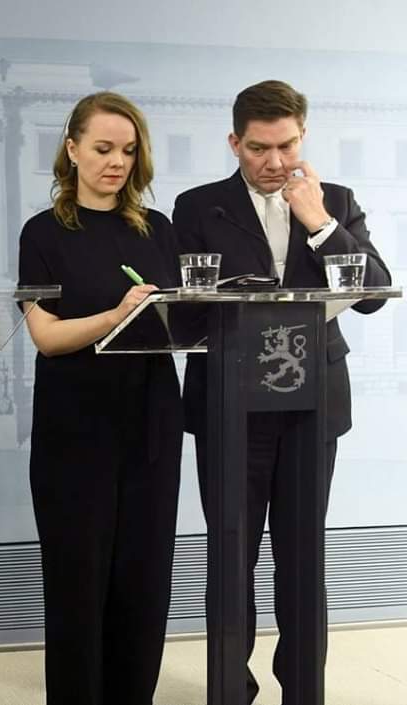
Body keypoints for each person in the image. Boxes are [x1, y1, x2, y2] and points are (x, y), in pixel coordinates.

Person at [172, 79, 391, 704]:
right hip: (228, 404)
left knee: (302, 556)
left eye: (287, 146)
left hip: (311, 404)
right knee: (230, 555)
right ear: (234, 142)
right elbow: (184, 313)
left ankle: (302, 690)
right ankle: (229, 689)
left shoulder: (336, 201)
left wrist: (318, 222)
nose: (274, 162)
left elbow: (373, 293)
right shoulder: (199, 207)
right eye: (259, 148)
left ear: (303, 137)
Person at [17, 92, 183, 705]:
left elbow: (182, 322)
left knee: (143, 582)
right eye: (104, 148)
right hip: (74, 427)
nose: (117, 162)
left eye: (128, 151)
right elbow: (46, 336)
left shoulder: (157, 229)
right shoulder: (42, 232)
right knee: (77, 583)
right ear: (72, 149)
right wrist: (116, 315)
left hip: (151, 420)